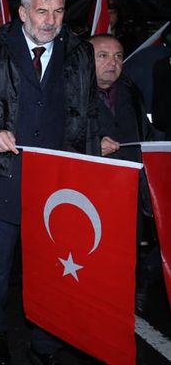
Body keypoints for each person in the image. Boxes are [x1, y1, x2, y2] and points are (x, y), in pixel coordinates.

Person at [0, 0, 99, 365]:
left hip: (58, 183)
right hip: (1, 177)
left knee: (54, 267)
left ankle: (45, 341)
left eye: (58, 11)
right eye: (42, 11)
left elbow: (88, 115)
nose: (51, 21)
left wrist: (88, 171)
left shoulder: (80, 52)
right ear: (22, 13)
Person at [89, 34, 160, 314]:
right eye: (103, 55)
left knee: (127, 250)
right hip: (91, 191)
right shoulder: (70, 95)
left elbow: (146, 133)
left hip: (130, 188)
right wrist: (92, 145)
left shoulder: (131, 91)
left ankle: (123, 298)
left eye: (118, 56)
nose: (112, 63)